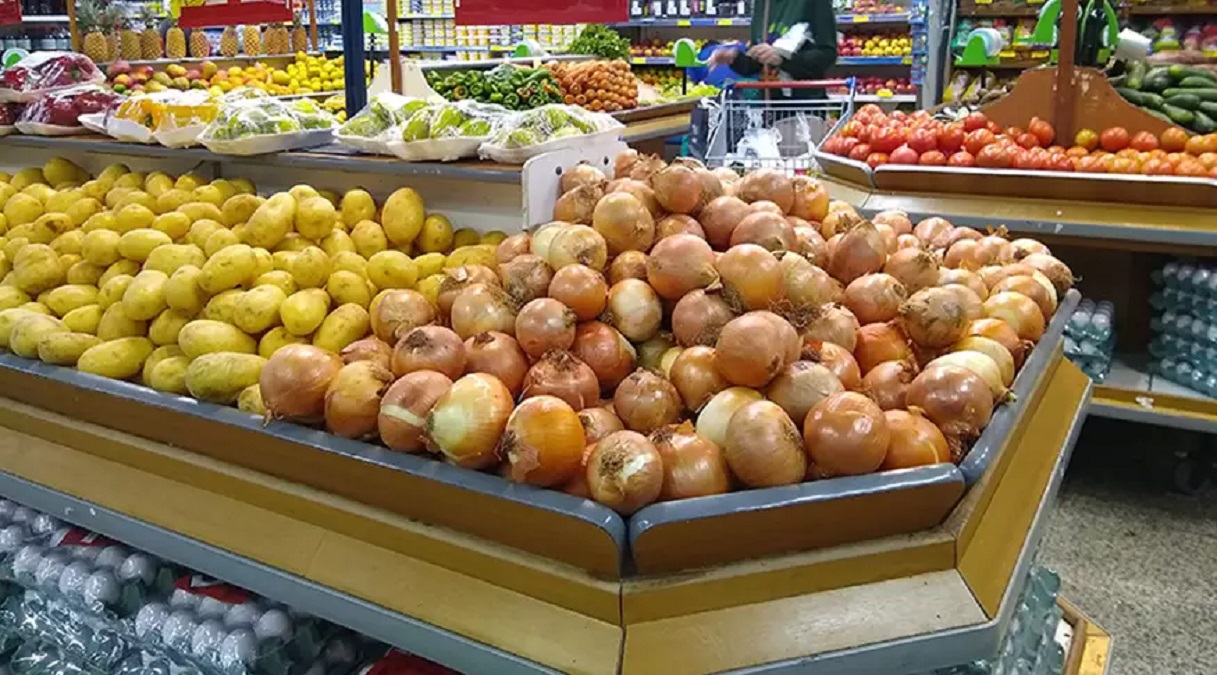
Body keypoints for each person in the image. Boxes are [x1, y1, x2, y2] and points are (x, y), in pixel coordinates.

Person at [708, 0, 838, 99]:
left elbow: (827, 54)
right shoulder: (763, 4)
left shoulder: (813, 3)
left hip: (804, 108)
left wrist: (783, 59)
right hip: (769, 107)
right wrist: (734, 58)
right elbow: (758, 63)